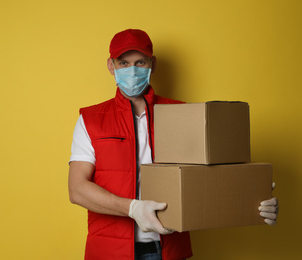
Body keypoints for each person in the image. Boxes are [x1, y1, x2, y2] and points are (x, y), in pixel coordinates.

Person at [68, 29, 278, 260]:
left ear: (153, 64)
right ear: (111, 66)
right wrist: (132, 208)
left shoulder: (182, 114)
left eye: (140, 62)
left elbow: (204, 177)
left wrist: (251, 197)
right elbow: (77, 189)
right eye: (123, 63)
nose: (132, 70)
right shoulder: (91, 119)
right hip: (108, 253)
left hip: (169, 251)